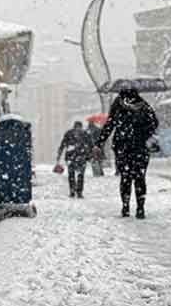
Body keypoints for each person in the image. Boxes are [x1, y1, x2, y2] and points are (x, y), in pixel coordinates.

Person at [95, 88, 159, 218]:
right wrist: (144, 133)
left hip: (122, 147)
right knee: (140, 178)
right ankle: (140, 208)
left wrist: (99, 143)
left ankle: (125, 207)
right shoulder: (144, 105)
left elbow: (109, 125)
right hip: (140, 148)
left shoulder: (118, 106)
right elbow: (154, 123)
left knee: (126, 178)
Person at [56, 121, 91, 198]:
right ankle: (79, 192)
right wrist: (89, 156)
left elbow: (63, 144)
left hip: (71, 157)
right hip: (81, 157)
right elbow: (90, 145)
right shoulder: (85, 133)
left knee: (71, 175)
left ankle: (72, 191)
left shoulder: (69, 133)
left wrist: (59, 154)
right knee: (80, 175)